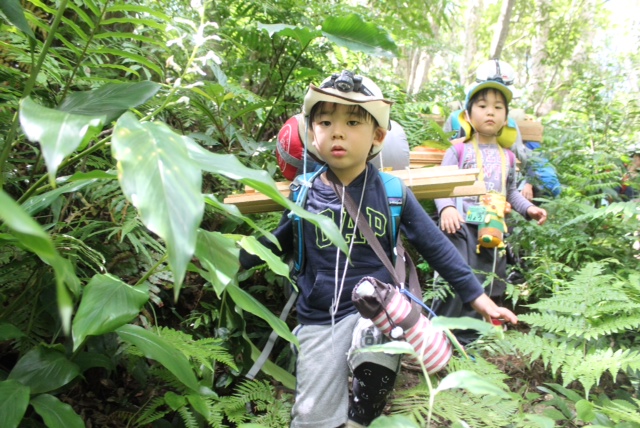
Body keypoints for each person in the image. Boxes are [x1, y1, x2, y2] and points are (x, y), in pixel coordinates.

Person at [240, 70, 518, 427]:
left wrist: (480, 299)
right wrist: (228, 258)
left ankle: (363, 413)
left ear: (378, 135)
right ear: (313, 133)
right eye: (325, 121)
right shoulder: (304, 192)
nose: (337, 131)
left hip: (376, 310)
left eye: (353, 121)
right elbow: (278, 244)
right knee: (312, 417)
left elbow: (437, 248)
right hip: (318, 316)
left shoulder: (392, 192)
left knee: (378, 333)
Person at [434, 78, 547, 345]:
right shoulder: (458, 149)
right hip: (460, 227)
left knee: (487, 280)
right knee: (456, 278)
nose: (490, 112)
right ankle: (439, 335)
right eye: (482, 105)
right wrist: (447, 208)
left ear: (506, 118)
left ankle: (470, 338)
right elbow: (440, 184)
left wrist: (529, 209)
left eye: (498, 107)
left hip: (493, 228)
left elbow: (512, 193)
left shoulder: (507, 156)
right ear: (468, 114)